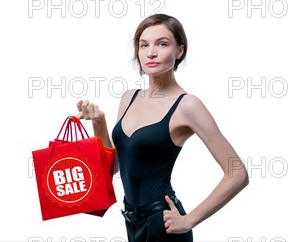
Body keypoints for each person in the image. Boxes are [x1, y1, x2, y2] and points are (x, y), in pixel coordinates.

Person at [76, 14, 249, 242]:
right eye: (144, 45)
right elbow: (115, 167)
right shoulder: (129, 98)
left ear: (179, 51)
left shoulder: (187, 105)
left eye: (162, 44)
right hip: (131, 222)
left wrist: (189, 220)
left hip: (164, 225)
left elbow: (238, 174)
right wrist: (99, 123)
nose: (151, 53)